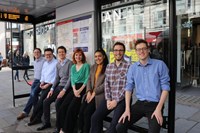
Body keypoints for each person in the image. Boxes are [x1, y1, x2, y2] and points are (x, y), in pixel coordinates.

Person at [116, 39, 170, 133]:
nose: (141, 51)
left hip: (155, 105)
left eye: (144, 48)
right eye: (138, 49)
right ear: (136, 52)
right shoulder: (133, 68)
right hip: (140, 103)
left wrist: (159, 109)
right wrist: (127, 109)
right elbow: (128, 88)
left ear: (148, 50)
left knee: (153, 131)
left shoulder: (159, 65)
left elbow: (165, 88)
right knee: (120, 126)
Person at [90, 42, 130, 133]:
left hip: (122, 100)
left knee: (113, 127)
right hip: (109, 98)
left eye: (120, 50)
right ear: (113, 52)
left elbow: (128, 87)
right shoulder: (109, 66)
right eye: (116, 50)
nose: (118, 53)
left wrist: (116, 101)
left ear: (124, 52)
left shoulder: (129, 66)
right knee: (95, 118)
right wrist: (108, 99)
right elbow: (106, 84)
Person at [37, 46, 73, 131]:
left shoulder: (70, 63)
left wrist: (64, 90)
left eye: (63, 52)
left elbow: (70, 78)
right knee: (46, 101)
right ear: (57, 53)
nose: (61, 53)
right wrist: (52, 89)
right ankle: (47, 123)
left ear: (65, 53)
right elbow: (56, 78)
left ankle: (59, 126)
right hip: (59, 87)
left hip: (67, 88)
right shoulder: (58, 64)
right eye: (59, 52)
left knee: (57, 103)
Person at [59, 48, 90, 133]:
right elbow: (72, 79)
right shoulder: (73, 66)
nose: (78, 56)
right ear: (74, 56)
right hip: (74, 88)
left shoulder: (86, 65)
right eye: (76, 55)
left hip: (82, 88)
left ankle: (66, 130)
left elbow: (87, 79)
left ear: (82, 56)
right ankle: (61, 127)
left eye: (80, 55)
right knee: (63, 107)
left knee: (71, 108)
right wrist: (74, 90)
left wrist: (79, 90)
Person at [78, 49, 109, 133]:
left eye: (99, 56)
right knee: (81, 111)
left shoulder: (108, 67)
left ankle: (86, 131)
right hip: (90, 93)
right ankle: (81, 130)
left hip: (100, 95)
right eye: (95, 56)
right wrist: (88, 92)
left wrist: (94, 93)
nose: (97, 58)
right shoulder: (93, 67)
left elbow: (106, 84)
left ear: (104, 56)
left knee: (87, 113)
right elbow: (88, 80)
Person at [27, 48, 57, 128]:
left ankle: (34, 117)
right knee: (36, 96)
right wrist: (42, 82)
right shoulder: (45, 63)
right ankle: (37, 118)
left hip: (52, 84)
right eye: (46, 54)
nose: (48, 56)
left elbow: (56, 77)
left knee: (41, 101)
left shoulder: (56, 63)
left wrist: (48, 84)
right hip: (44, 83)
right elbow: (43, 74)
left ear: (52, 54)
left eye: (49, 54)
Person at [17, 48, 45, 120]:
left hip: (42, 81)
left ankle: (26, 112)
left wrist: (43, 81)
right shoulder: (35, 61)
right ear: (33, 53)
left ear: (40, 53)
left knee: (33, 94)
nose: (36, 53)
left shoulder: (44, 61)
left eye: (38, 52)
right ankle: (35, 111)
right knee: (33, 95)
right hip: (36, 80)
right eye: (35, 52)